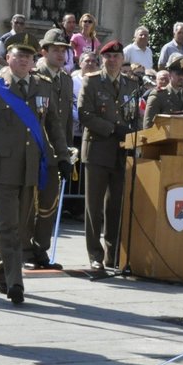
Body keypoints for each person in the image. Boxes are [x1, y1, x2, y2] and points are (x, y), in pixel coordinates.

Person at [0, 36, 50, 304]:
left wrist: (60, 153)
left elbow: (53, 124)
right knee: (7, 225)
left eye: (28, 56)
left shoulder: (43, 86)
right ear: (8, 58)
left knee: (21, 228)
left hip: (31, 165)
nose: (23, 60)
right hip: (3, 165)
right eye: (18, 55)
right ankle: (15, 282)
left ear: (34, 61)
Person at [78, 39, 139, 274]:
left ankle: (114, 255)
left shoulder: (131, 85)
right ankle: (95, 255)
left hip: (122, 151)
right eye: (108, 57)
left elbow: (135, 117)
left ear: (122, 59)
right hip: (97, 149)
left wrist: (135, 136)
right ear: (102, 59)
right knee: (94, 206)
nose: (112, 60)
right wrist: (113, 128)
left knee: (116, 205)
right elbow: (85, 114)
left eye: (116, 56)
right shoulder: (92, 82)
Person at [26, 27, 75, 270]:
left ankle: (40, 249)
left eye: (64, 50)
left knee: (49, 205)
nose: (60, 54)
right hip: (35, 150)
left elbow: (63, 122)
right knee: (29, 203)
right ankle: (25, 248)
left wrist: (66, 152)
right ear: (43, 52)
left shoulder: (66, 79)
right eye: (55, 49)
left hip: (56, 152)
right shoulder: (35, 76)